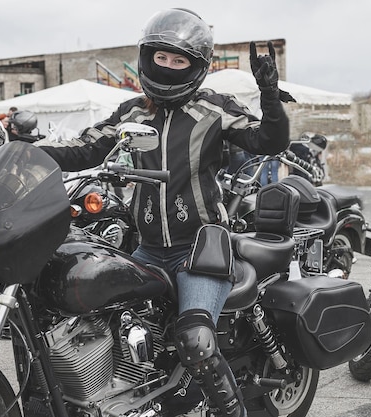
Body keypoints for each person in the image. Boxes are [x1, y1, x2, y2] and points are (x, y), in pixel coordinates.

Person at [38, 9, 290, 417]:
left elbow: (268, 141)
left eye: (180, 60)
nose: (169, 67)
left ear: (197, 67)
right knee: (108, 321)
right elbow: (83, 149)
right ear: (147, 57)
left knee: (195, 339)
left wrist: (270, 94)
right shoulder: (132, 114)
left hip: (200, 250)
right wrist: (22, 152)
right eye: (162, 57)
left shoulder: (214, 109)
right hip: (148, 249)